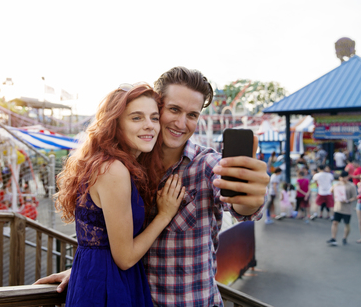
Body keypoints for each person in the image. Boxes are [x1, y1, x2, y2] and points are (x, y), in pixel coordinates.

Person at [35, 67, 269, 307]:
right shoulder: (128, 166)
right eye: (174, 110)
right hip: (133, 297)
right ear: (158, 107)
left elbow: (242, 206)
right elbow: (113, 236)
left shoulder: (206, 165)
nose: (181, 123)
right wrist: (86, 270)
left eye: (192, 115)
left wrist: (249, 196)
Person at [50, 83, 185, 306]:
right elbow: (125, 258)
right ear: (115, 124)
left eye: (154, 118)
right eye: (136, 118)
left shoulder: (108, 164)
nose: (149, 126)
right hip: (109, 284)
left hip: (96, 276)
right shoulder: (114, 170)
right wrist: (164, 215)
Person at [326, 171, 357, 246]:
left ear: (347, 177)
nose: (342, 179)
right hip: (338, 207)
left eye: (344, 177)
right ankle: (333, 238)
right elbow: (331, 191)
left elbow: (355, 197)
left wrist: (348, 200)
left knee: (346, 224)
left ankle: (345, 238)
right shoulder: (337, 185)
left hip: (347, 209)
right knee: (335, 222)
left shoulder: (351, 186)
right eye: (341, 177)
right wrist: (333, 188)